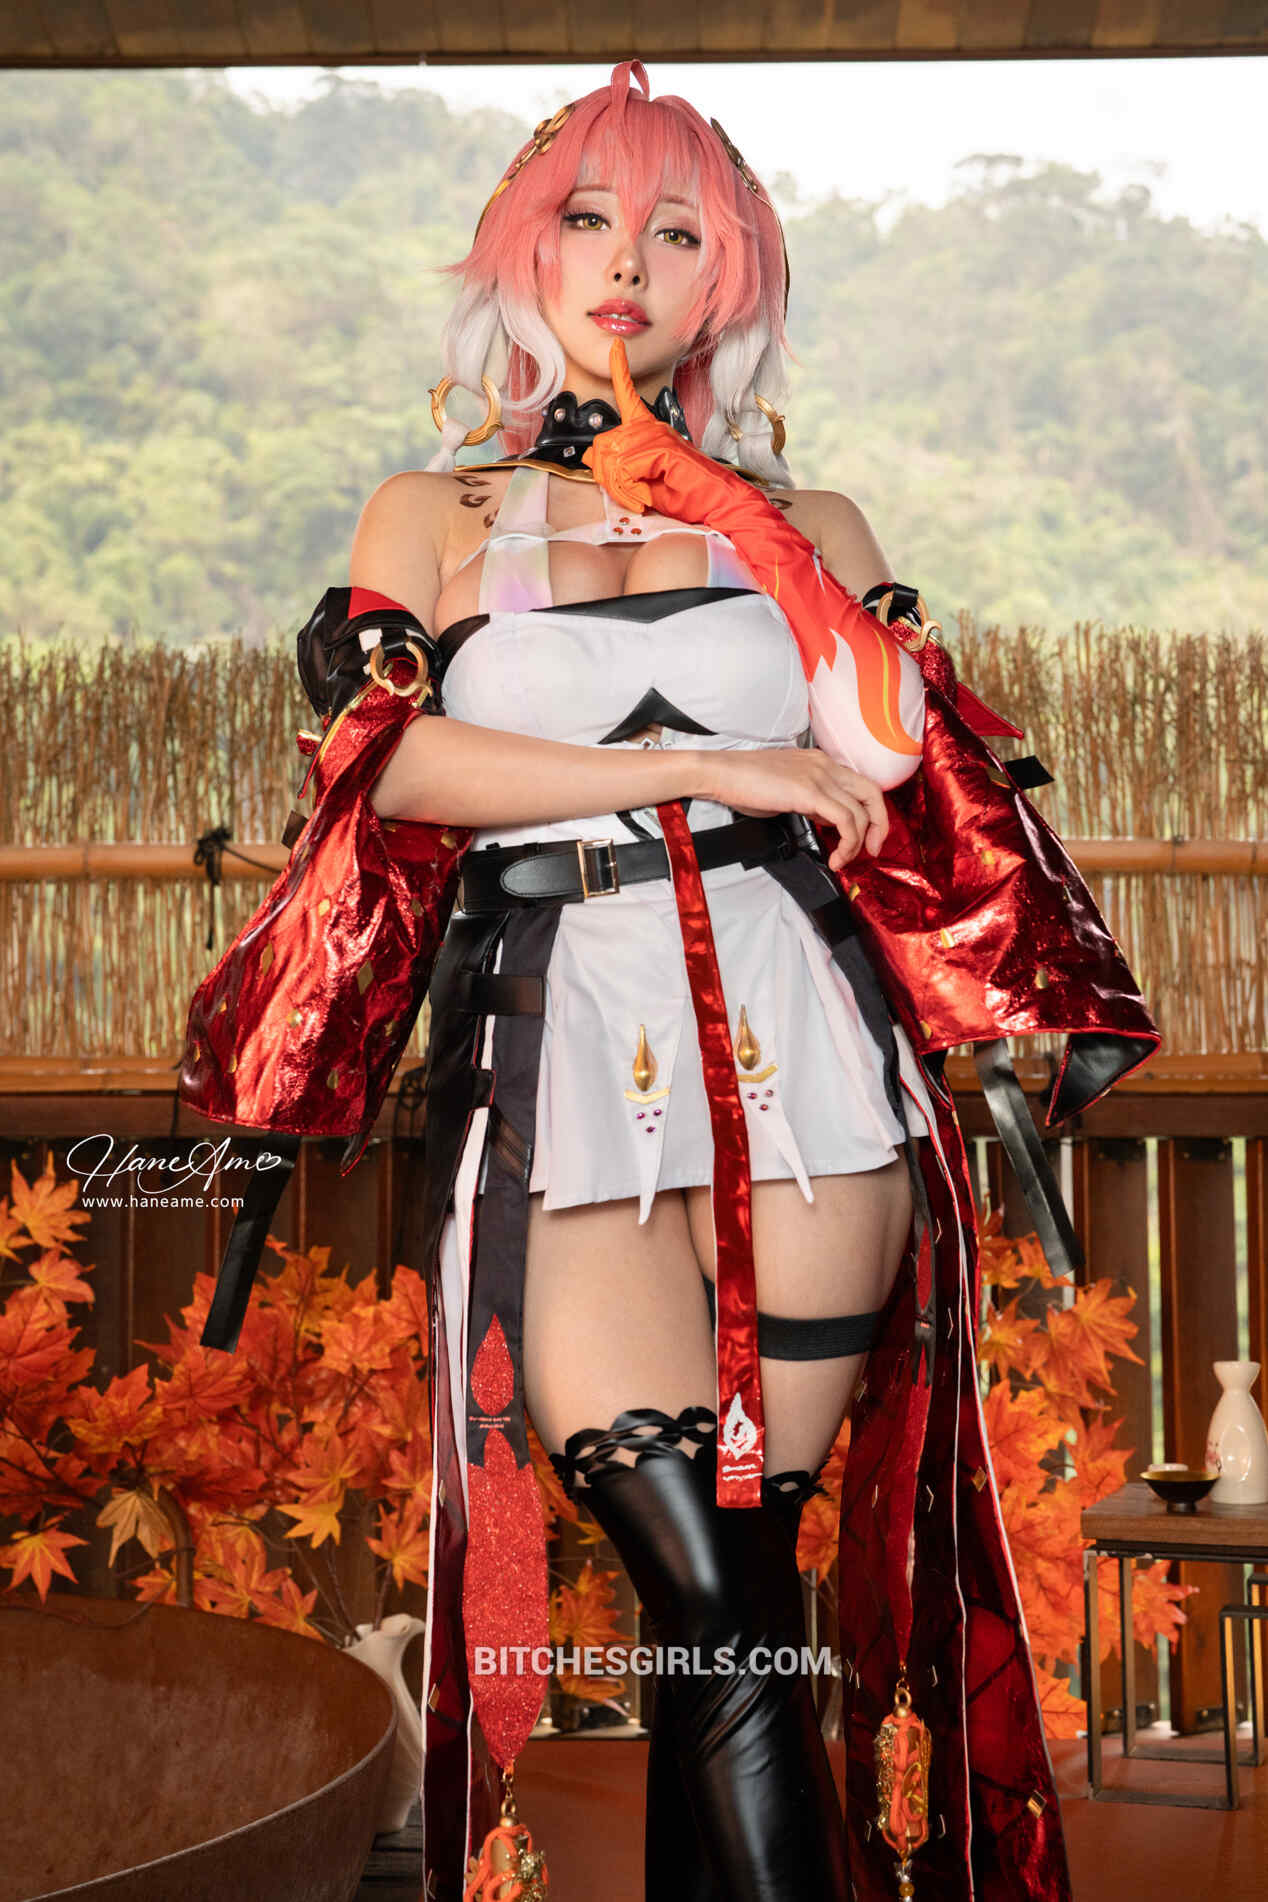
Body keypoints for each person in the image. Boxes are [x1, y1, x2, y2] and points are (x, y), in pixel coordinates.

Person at [180, 57, 1159, 1902]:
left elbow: (889, 759)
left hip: (808, 1057)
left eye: (680, 233)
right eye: (588, 218)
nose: (628, 261)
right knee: (707, 1577)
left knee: (739, 1587)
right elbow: (401, 768)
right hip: (560, 1052)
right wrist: (708, 762)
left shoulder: (820, 524)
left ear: (733, 281)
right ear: (525, 252)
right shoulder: (432, 514)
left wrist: (753, 527)